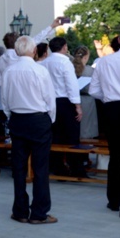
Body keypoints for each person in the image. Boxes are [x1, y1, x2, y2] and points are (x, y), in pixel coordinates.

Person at [1, 36, 57, 225]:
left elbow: (5, 100)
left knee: (19, 168)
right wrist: (49, 119)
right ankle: (39, 212)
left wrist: (11, 116)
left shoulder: (9, 71)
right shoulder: (40, 70)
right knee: (41, 168)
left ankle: (20, 211)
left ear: (17, 51)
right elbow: (50, 99)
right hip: (38, 119)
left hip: (18, 119)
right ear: (34, 51)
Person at [89, 27, 120, 217]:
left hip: (112, 109)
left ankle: (114, 200)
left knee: (115, 155)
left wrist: (109, 97)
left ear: (119, 39)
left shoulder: (104, 61)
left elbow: (93, 91)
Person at [41, 37, 84, 177]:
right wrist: (77, 105)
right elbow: (71, 85)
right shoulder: (65, 62)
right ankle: (76, 168)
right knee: (72, 136)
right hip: (66, 102)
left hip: (50, 102)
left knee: (56, 136)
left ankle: (58, 166)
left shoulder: (44, 63)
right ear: (64, 47)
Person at [0, 18, 60, 86]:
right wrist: (52, 26)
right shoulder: (21, 53)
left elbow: (0, 81)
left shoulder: (0, 60)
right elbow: (39, 37)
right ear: (18, 43)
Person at [72, 46, 99, 140]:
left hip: (72, 100)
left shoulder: (70, 68)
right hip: (87, 101)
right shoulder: (90, 71)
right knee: (87, 129)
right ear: (86, 57)